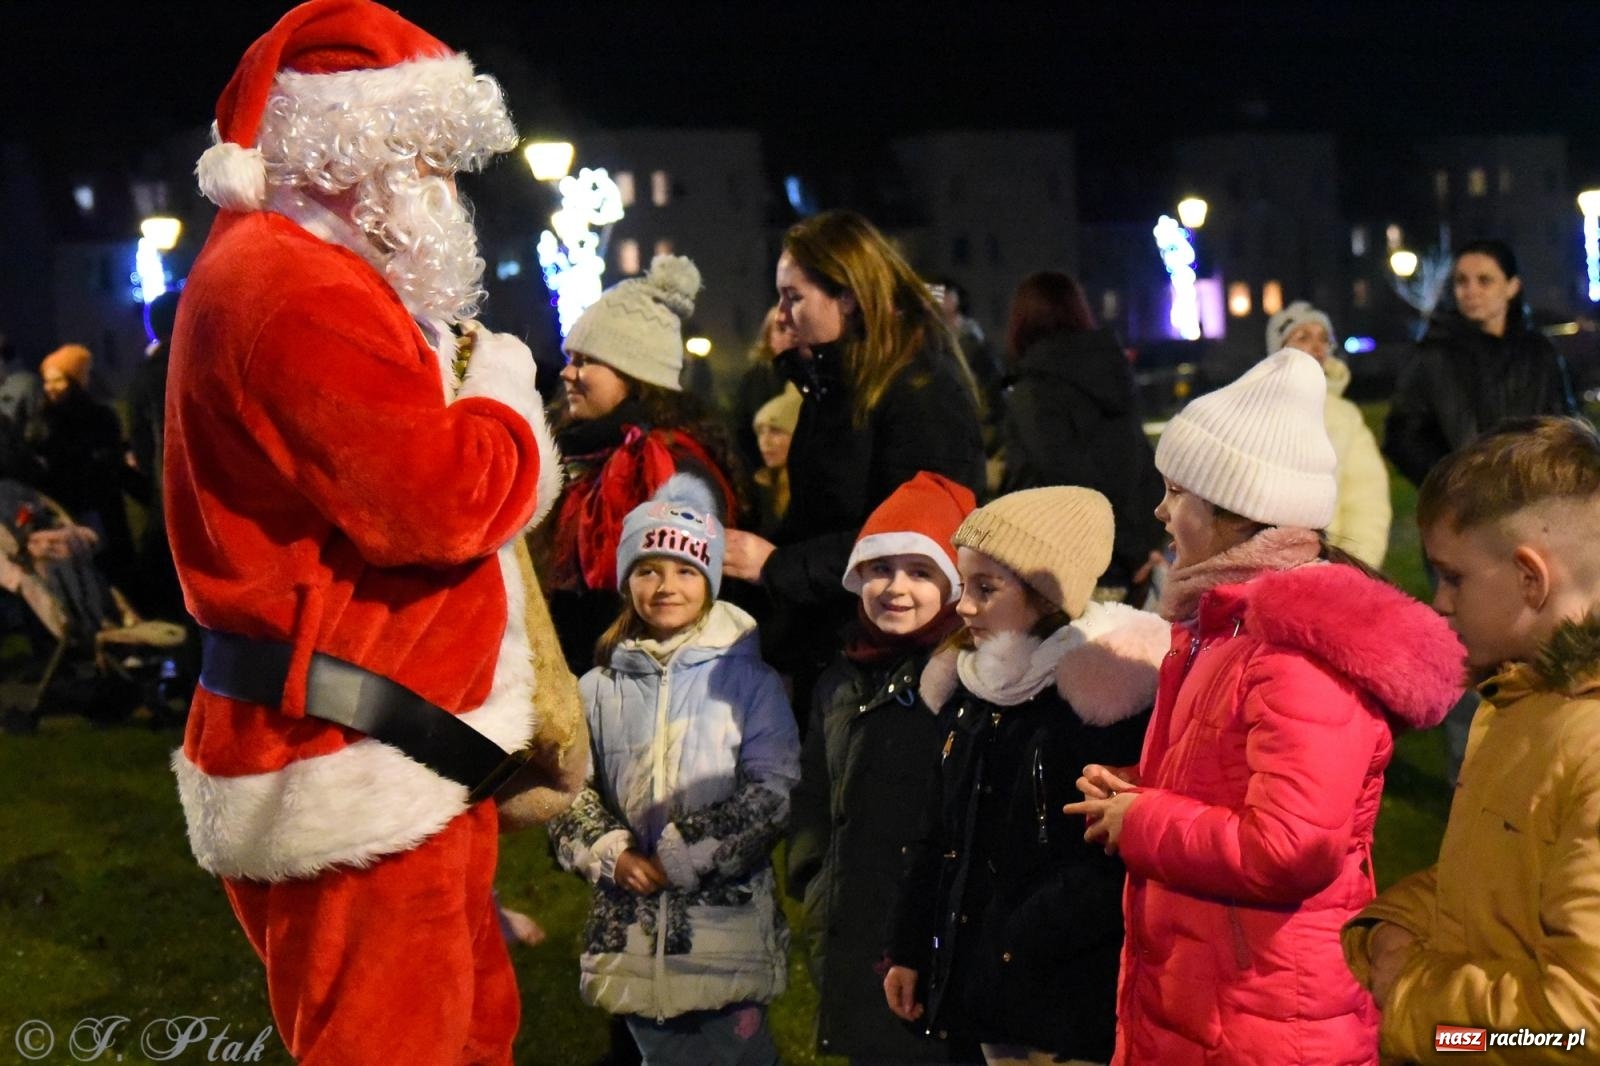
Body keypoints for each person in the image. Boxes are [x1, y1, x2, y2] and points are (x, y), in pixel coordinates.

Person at [164, 2, 564, 1062]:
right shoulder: (294, 288)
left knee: (467, 1027)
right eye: (422, 154)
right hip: (348, 755)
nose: (439, 185)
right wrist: (505, 392)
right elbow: (440, 502)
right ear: (350, 148)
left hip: (384, 745)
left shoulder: (301, 271)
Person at [1065, 349, 1465, 1066]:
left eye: (1175, 492)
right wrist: (1137, 791)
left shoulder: (1295, 654)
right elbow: (1231, 782)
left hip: (1270, 1014)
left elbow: (1291, 847)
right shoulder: (1227, 629)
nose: (1159, 511)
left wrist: (1145, 821)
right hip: (1217, 994)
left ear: (1234, 510)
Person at [1343, 415, 1600, 1063]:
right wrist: (1392, 926)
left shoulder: (1587, 740)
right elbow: (1492, 876)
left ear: (1530, 579)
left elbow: (1576, 1029)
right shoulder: (1522, 701)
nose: (1439, 602)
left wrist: (1418, 1007)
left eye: (1452, 576)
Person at [886, 487, 1168, 1066]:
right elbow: (940, 835)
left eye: (987, 590)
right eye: (965, 586)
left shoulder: (1099, 704)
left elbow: (1104, 863)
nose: (963, 607)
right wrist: (912, 947)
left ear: (1048, 597)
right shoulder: (975, 692)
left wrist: (1018, 940)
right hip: (983, 982)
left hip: (1059, 996)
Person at [549, 477, 799, 1066]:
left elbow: (773, 791)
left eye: (686, 571)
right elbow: (566, 792)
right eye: (648, 570)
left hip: (722, 931)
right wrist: (613, 852)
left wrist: (685, 853)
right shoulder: (595, 690)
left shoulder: (749, 683)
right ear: (626, 581)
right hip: (629, 934)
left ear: (710, 581)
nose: (666, 587)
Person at [723, 210, 985, 715]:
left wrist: (776, 565)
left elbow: (914, 538)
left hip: (894, 662)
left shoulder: (918, 394)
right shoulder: (836, 387)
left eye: (794, 297)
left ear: (846, 296)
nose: (780, 314)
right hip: (839, 645)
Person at [787, 471, 980, 1065]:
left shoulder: (972, 680)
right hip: (855, 929)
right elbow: (815, 789)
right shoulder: (842, 677)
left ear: (953, 584)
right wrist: (815, 875)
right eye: (880, 569)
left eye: (921, 572)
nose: (896, 589)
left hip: (933, 943)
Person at [537, 253, 741, 674]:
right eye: (570, 357)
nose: (568, 374)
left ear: (636, 374)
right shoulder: (569, 456)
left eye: (586, 361)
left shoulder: (671, 468)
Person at [996, 271, 1165, 600]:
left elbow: (1065, 476)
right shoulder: (1112, 373)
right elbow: (1139, 462)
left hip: (1064, 569)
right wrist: (1142, 548)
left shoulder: (1034, 390)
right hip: (1131, 565)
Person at [1384, 238, 1577, 489]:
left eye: (1484, 280)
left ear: (1512, 287)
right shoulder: (1434, 354)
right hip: (1466, 509)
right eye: (1461, 281)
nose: (1470, 291)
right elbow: (1402, 435)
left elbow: (1564, 425)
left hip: (1532, 499)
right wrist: (1454, 481)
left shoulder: (1539, 353)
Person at [1265, 300, 1391, 569]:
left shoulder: (1344, 417)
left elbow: (1367, 498)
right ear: (1278, 348)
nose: (1317, 346)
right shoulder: (1254, 413)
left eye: (1324, 338)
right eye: (1303, 337)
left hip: (1331, 567)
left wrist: (1356, 567)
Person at [31, 343, 135, 587]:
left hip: (95, 502)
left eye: (58, 381)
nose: (50, 388)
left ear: (75, 380)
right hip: (68, 506)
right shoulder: (43, 420)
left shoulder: (96, 417)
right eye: (47, 381)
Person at [733, 304, 799, 477]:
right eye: (781, 329)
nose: (791, 335)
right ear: (769, 337)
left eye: (797, 327)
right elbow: (742, 434)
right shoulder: (756, 380)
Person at [748, 384, 800, 538]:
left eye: (776, 431)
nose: (765, 441)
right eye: (760, 432)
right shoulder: (756, 492)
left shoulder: (817, 495)